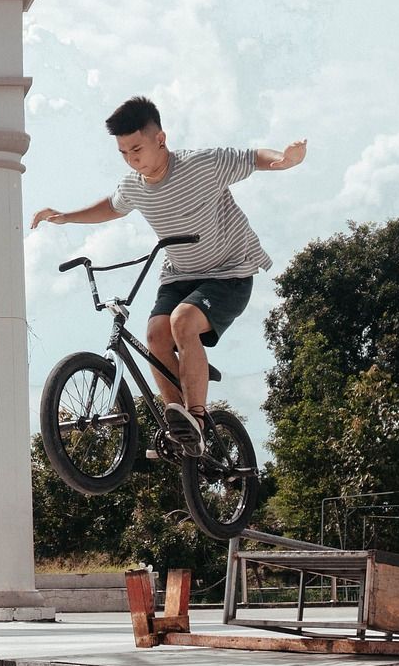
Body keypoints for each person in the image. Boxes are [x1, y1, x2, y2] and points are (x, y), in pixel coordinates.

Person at [29, 95, 306, 452]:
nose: (132, 159)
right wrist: (66, 215)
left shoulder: (202, 164)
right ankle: (181, 422)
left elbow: (252, 158)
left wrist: (284, 161)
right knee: (155, 334)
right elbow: (111, 208)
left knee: (182, 321)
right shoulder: (134, 186)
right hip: (180, 275)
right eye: (124, 153)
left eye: (137, 148)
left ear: (160, 139)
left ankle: (199, 416)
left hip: (230, 273)